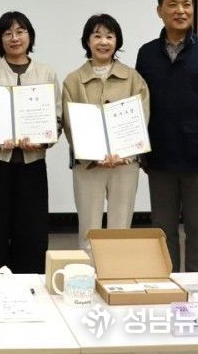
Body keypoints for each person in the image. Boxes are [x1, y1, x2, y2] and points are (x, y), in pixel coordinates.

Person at [136, 0, 198, 272]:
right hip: (160, 157)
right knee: (163, 234)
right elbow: (138, 106)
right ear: (159, 11)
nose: (181, 11)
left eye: (186, 4)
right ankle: (168, 287)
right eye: (173, 5)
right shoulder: (146, 53)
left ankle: (197, 291)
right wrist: (139, 147)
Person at [0, 11, 61, 274]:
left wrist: (42, 141)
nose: (15, 38)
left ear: (30, 36)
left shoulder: (46, 72)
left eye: (20, 31)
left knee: (31, 230)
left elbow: (57, 117)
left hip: (32, 164)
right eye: (7, 33)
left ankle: (31, 283)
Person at [62, 14, 150, 251]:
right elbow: (70, 124)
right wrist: (92, 155)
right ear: (87, 41)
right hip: (88, 165)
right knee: (88, 229)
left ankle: (116, 272)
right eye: (97, 36)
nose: (103, 42)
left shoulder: (133, 78)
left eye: (109, 36)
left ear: (117, 41)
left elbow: (141, 117)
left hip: (124, 163)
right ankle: (88, 272)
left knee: (120, 228)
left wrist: (126, 154)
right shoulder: (73, 80)